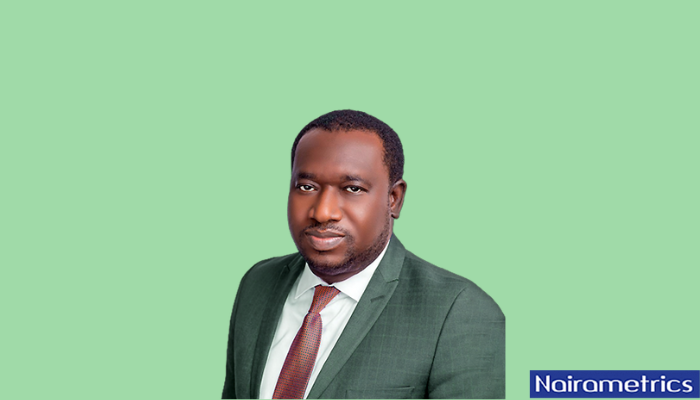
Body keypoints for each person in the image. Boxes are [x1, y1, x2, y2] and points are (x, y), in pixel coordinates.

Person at [222, 110, 505, 399]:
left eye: (352, 189)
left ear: (394, 199)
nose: (323, 212)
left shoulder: (459, 312)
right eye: (307, 187)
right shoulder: (257, 283)